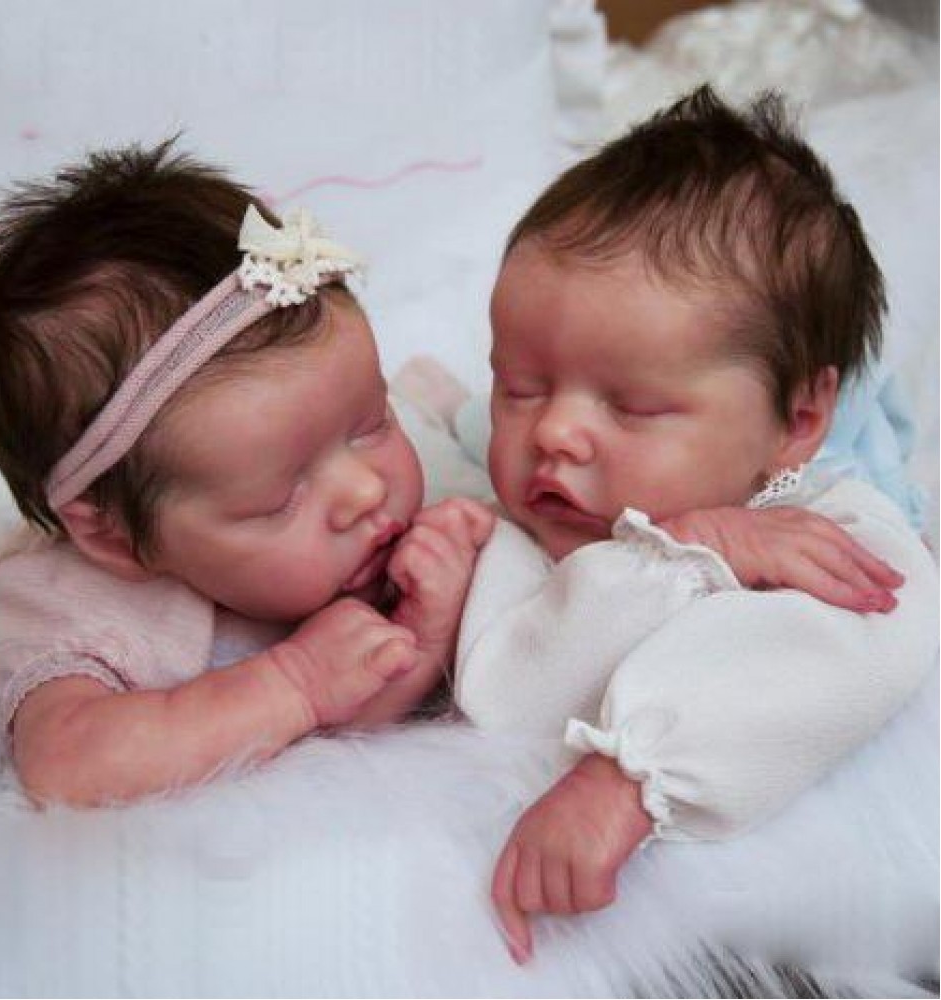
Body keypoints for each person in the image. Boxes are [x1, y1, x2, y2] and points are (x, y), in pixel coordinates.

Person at [397, 86, 938, 963]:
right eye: (519, 388)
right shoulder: (515, 532)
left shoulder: (825, 525)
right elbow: (511, 698)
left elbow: (860, 651)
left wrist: (633, 776)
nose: (555, 432)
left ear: (798, 421)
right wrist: (683, 554)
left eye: (632, 406)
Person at [0, 141, 494, 807]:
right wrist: (293, 682)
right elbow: (66, 763)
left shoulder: (362, 530)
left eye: (372, 423)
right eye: (281, 498)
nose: (365, 489)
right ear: (116, 538)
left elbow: (360, 722)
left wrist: (427, 631)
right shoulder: (83, 599)